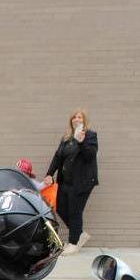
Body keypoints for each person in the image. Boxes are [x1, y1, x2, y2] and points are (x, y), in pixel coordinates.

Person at [44, 109, 98, 255]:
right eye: (74, 117)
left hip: (82, 182)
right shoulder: (66, 138)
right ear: (71, 120)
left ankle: (74, 243)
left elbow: (90, 156)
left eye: (80, 117)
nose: (76, 119)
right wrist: (49, 174)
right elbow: (57, 157)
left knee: (75, 211)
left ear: (84, 120)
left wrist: (81, 143)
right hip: (65, 182)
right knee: (61, 207)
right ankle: (79, 234)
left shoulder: (90, 136)